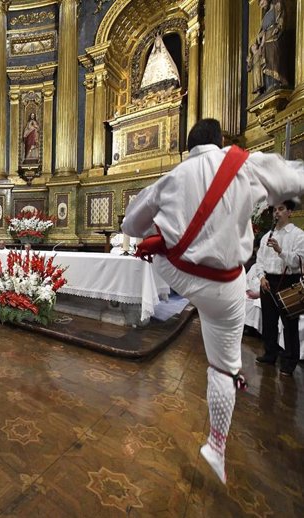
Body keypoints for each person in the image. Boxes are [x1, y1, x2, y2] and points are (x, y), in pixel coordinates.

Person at [122, 119, 304, 485]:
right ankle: (216, 446)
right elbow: (294, 178)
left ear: (186, 147)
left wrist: (163, 225)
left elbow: (130, 226)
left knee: (155, 248)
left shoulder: (171, 178)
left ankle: (167, 256)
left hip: (179, 274)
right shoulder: (243, 165)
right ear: (220, 141)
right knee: (223, 368)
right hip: (225, 288)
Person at [251, 200, 304, 376]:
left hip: (288, 281)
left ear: (289, 212)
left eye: (281, 209)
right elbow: (260, 261)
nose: (277, 213)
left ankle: (290, 360)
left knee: (290, 324)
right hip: (268, 282)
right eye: (275, 210)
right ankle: (270, 353)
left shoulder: (298, 235)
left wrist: (281, 250)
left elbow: (298, 262)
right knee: (269, 321)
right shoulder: (267, 236)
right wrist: (261, 277)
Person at [247, 0, 288, 95]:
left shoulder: (277, 5)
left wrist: (278, 27)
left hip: (274, 38)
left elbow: (282, 17)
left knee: (274, 59)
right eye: (261, 5)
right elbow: (261, 31)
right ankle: (269, 86)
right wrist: (260, 35)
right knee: (266, 62)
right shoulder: (264, 17)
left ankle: (276, 83)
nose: (262, 6)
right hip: (265, 42)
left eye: (262, 3)